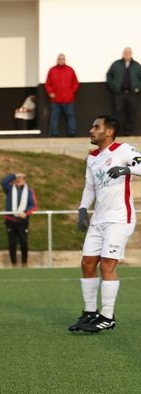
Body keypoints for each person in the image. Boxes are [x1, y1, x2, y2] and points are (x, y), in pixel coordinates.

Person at [69, 115, 141, 333]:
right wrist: (82, 209)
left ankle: (107, 316)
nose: (91, 130)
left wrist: (127, 169)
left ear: (109, 132)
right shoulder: (92, 157)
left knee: (107, 265)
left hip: (119, 219)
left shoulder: (125, 150)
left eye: (96, 127)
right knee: (87, 264)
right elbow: (89, 186)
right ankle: (90, 313)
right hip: (99, 219)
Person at [0, 172, 38, 267]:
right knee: (12, 242)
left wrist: (26, 213)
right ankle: (13, 263)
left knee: (23, 242)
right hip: (10, 220)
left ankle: (24, 262)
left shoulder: (29, 190)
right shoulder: (9, 189)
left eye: (22, 179)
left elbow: (33, 205)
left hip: (22, 221)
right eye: (18, 179)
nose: (19, 180)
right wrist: (14, 175)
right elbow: (3, 182)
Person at [106, 47, 141, 136]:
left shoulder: (136, 65)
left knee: (131, 112)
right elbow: (109, 75)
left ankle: (128, 132)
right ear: (123, 53)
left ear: (131, 54)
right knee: (117, 112)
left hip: (132, 93)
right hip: (119, 94)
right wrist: (114, 87)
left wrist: (137, 88)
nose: (127, 54)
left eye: (128, 52)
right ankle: (117, 132)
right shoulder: (116, 64)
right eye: (125, 52)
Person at [45, 54, 79, 137]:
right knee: (54, 117)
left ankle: (72, 132)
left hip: (68, 99)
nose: (61, 60)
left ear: (65, 60)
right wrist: (50, 93)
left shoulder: (70, 70)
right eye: (59, 59)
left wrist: (71, 93)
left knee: (70, 116)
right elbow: (47, 84)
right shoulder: (52, 70)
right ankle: (54, 132)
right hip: (55, 100)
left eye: (62, 59)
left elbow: (75, 83)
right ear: (57, 60)